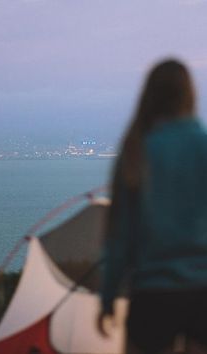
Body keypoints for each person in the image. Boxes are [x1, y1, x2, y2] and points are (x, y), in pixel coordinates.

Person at [97, 59, 207, 354]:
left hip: (152, 294)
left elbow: (118, 238)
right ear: (190, 95)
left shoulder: (136, 150)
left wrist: (107, 298)